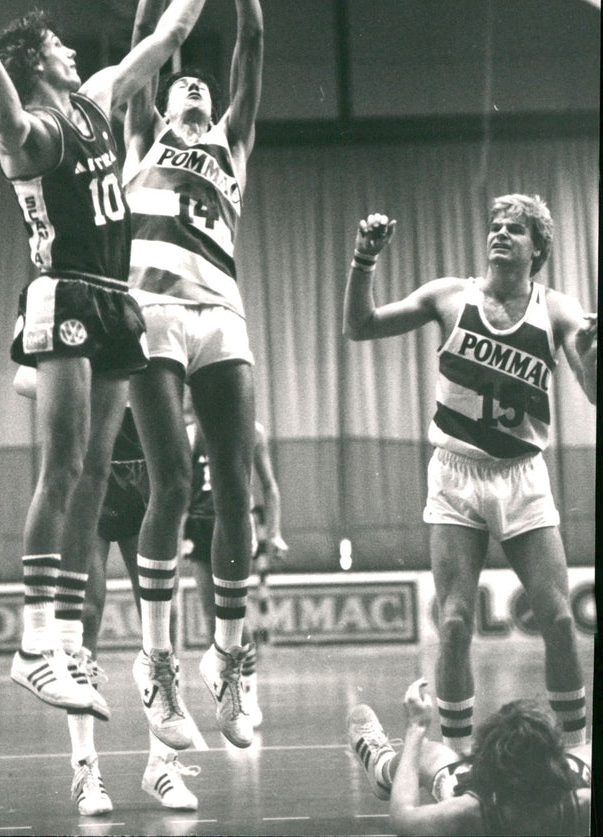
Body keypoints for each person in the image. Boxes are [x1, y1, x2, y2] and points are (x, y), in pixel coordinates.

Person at [0, 0, 221, 719]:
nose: (72, 49)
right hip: (60, 293)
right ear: (36, 63)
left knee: (95, 476)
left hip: (113, 298)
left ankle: (63, 638)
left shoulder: (95, 98)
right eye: (58, 44)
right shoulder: (33, 128)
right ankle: (33, 645)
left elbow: (161, 42)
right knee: (61, 467)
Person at [342, 196, 597, 754]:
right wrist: (363, 262)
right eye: (495, 226)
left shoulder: (556, 311)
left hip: (522, 475)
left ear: (539, 248)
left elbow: (596, 394)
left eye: (515, 230)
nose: (500, 234)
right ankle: (456, 755)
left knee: (558, 622)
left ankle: (578, 750)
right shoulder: (450, 296)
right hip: (457, 475)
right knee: (455, 624)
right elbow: (359, 327)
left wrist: (594, 356)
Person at [123, 0, 265, 750]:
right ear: (163, 98)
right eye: (183, 86)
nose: (195, 90)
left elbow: (252, 35)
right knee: (173, 481)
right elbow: (146, 34)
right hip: (152, 311)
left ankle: (231, 659)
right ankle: (157, 665)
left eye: (202, 89)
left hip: (221, 312)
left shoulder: (232, 143)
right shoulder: (141, 136)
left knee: (236, 488)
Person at [13, 366, 199, 817]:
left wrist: (149, 394)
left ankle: (163, 764)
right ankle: (84, 766)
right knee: (83, 617)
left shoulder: (154, 315)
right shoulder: (87, 311)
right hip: (88, 476)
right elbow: (23, 379)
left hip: (145, 479)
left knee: (162, 621)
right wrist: (91, 389)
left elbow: (188, 395)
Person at [347, 678, 592, 836]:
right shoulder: (581, 805)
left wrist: (417, 727)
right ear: (556, 764)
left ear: (486, 768)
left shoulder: (468, 812)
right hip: (559, 806)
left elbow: (403, 817)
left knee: (427, 752)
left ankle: (381, 771)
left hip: (491, 813)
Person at [184, 415, 288, 728]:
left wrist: (275, 532)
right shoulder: (192, 433)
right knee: (209, 617)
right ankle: (229, 694)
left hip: (234, 522)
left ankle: (249, 696)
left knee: (234, 615)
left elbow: (269, 487)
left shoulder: (252, 431)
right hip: (200, 524)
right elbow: (178, 488)